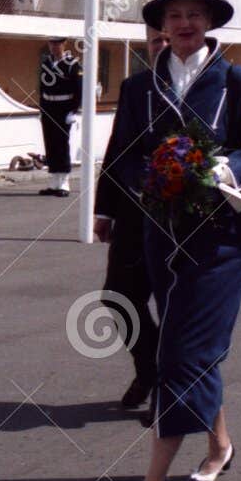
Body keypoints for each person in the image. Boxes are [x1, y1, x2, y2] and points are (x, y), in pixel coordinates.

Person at [104, 0, 241, 481]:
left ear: (208, 24)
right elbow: (123, 154)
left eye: (194, 15)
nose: (184, 24)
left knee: (179, 354)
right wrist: (141, 186)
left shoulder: (237, 80)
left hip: (221, 237)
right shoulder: (138, 88)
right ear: (162, 26)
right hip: (161, 234)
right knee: (193, 348)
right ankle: (220, 445)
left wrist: (220, 169)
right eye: (174, 16)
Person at [94, 28, 169, 419]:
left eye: (169, 37)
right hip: (132, 212)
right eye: (156, 39)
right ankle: (149, 371)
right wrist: (103, 209)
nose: (163, 45)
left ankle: (169, 389)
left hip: (181, 218)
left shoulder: (210, 88)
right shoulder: (134, 86)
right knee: (118, 298)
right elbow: (117, 147)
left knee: (176, 306)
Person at [38, 39, 81, 196]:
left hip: (64, 109)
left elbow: (78, 89)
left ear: (64, 45)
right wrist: (42, 108)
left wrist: (74, 111)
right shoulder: (46, 62)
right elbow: (42, 87)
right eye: (51, 44)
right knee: (50, 144)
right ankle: (54, 182)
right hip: (49, 107)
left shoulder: (72, 64)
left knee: (62, 144)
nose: (54, 47)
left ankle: (64, 183)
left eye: (57, 44)